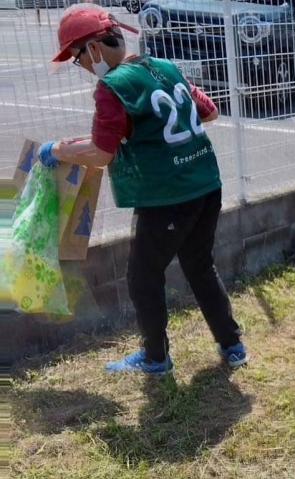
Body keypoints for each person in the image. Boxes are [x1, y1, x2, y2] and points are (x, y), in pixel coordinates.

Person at [39, 4, 246, 375]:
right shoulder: (163, 67)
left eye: (77, 58)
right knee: (200, 266)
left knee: (142, 277)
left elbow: (102, 154)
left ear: (94, 50)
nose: (83, 67)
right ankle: (232, 344)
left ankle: (155, 357)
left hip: (166, 198)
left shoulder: (112, 86)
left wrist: (57, 150)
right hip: (206, 184)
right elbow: (209, 111)